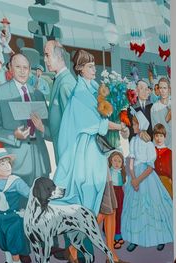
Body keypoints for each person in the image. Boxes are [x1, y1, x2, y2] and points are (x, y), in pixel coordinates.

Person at [52, 49, 126, 213]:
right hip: (85, 151)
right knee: (88, 190)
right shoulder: (80, 93)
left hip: (94, 149)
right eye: (90, 67)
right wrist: (120, 126)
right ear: (80, 68)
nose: (94, 70)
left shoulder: (93, 88)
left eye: (94, 66)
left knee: (99, 195)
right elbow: (97, 123)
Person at [0, 53, 50, 187]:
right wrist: (14, 135)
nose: (22, 71)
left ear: (30, 69)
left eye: (25, 67)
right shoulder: (0, 93)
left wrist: (43, 129)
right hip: (16, 164)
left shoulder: (38, 94)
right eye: (18, 67)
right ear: (10, 69)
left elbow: (50, 129)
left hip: (41, 162)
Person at [122, 111, 173, 252]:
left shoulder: (149, 143)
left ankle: (160, 237)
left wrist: (138, 179)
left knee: (153, 207)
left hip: (146, 177)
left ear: (141, 124)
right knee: (135, 209)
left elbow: (151, 166)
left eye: (134, 124)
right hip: (135, 177)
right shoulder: (133, 141)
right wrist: (132, 178)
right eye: (132, 124)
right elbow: (131, 161)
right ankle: (135, 239)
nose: (133, 126)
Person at [0, 148, 30, 263]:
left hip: (13, 218)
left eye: (8, 162)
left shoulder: (16, 181)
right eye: (2, 163)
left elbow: (29, 194)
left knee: (13, 243)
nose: (7, 166)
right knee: (3, 241)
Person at [43, 39, 76, 165]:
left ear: (59, 56)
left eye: (47, 55)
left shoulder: (65, 84)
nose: (45, 60)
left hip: (68, 157)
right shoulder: (59, 80)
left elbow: (73, 125)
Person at [108, 150, 126, 249]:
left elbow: (124, 184)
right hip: (111, 193)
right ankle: (112, 237)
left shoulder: (121, 172)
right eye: (114, 160)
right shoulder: (108, 172)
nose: (117, 163)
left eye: (119, 161)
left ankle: (118, 234)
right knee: (112, 214)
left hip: (119, 193)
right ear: (110, 161)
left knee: (119, 214)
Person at [150, 77, 172, 148]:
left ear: (169, 89)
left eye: (165, 88)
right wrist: (167, 118)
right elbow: (156, 129)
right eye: (160, 88)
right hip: (161, 146)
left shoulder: (174, 105)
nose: (162, 91)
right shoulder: (155, 107)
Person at [153, 122, 172, 198]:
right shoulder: (152, 151)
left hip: (167, 181)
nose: (159, 138)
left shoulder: (169, 152)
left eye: (161, 136)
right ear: (154, 137)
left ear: (165, 137)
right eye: (156, 136)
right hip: (155, 181)